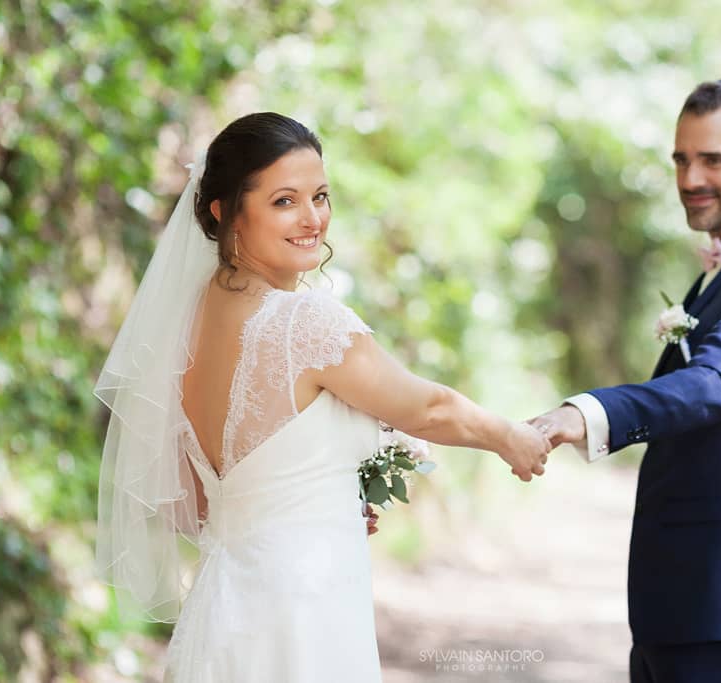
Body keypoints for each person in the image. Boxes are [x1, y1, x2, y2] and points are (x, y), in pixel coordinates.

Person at [93, 112, 551, 682]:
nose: (313, 219)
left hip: (221, 608)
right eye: (285, 201)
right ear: (225, 211)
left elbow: (196, 498)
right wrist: (510, 436)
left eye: (321, 196)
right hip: (301, 606)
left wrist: (317, 505)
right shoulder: (302, 322)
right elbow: (428, 408)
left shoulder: (185, 321)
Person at [530, 80, 721, 682]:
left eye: (713, 160)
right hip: (681, 604)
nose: (690, 177)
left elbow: (715, 382)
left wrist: (588, 414)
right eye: (681, 158)